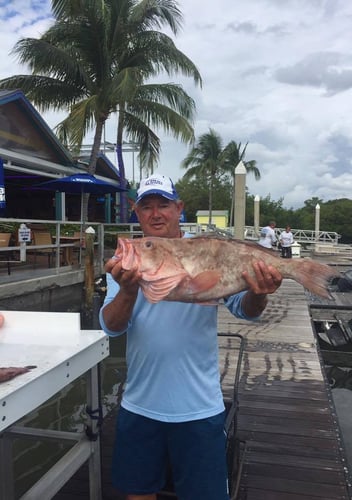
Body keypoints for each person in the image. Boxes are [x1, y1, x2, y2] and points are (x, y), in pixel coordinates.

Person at [99, 173, 282, 500]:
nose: (155, 214)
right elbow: (111, 326)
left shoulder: (206, 250)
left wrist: (260, 292)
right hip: (139, 405)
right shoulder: (129, 260)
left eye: (163, 205)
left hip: (199, 407)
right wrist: (127, 290)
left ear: (179, 208)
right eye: (146, 207)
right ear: (136, 213)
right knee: (138, 493)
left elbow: (246, 310)